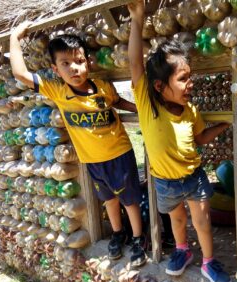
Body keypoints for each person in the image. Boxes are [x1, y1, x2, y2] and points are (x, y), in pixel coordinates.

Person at [10, 22, 146, 268]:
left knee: (129, 199)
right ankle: (118, 233)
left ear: (88, 62)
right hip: (92, 160)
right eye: (66, 64)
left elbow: (117, 103)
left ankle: (138, 238)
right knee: (109, 199)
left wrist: (139, 109)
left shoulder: (103, 87)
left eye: (80, 61)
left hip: (120, 153)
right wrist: (14, 39)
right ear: (55, 68)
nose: (74, 68)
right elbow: (20, 74)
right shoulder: (58, 91)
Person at [128, 1, 232, 282]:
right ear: (160, 86)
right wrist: (137, 20)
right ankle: (183, 250)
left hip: (194, 178)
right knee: (177, 220)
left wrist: (221, 127)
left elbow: (199, 139)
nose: (190, 84)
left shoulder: (191, 112)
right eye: (183, 78)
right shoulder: (148, 106)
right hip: (164, 182)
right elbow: (135, 65)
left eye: (191, 77)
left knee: (203, 221)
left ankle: (209, 262)